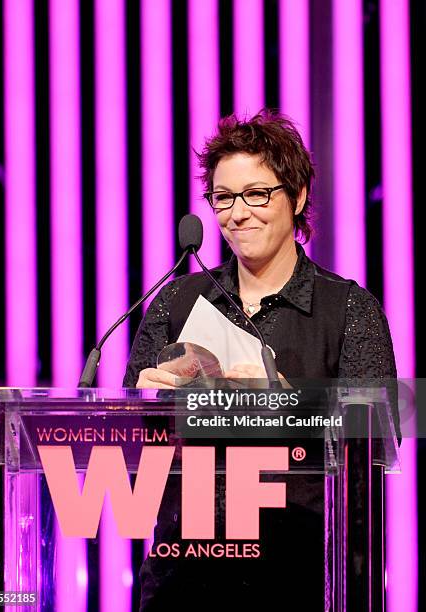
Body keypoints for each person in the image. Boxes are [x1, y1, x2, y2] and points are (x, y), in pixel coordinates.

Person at [123, 109, 398, 610]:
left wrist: (294, 407)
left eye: (257, 193)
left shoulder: (348, 309)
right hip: (184, 575)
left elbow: (378, 440)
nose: (237, 213)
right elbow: (127, 449)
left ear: (298, 197)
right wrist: (149, 406)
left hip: (302, 576)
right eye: (223, 197)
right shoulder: (175, 302)